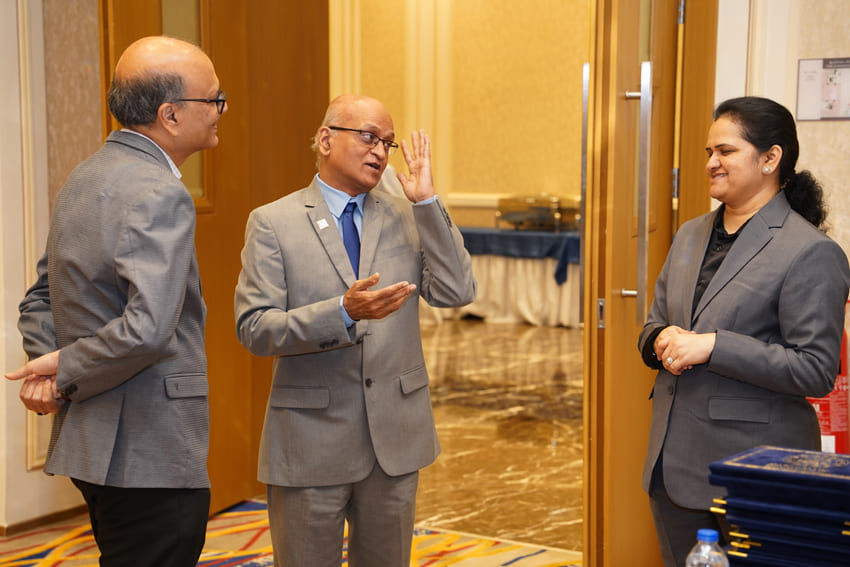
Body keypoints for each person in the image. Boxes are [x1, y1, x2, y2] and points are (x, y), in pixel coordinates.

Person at [4, 36, 227, 566]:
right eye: (214, 99)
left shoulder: (84, 177)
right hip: (150, 446)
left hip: (95, 442)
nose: (221, 110)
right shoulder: (161, 192)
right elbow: (148, 328)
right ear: (170, 114)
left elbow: (40, 298)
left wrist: (50, 369)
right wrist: (61, 369)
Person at [234, 94, 476, 567]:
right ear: (326, 140)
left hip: (395, 443)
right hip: (309, 443)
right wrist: (342, 312)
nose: (380, 151)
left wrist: (427, 202)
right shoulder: (273, 223)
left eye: (388, 142)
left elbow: (457, 290)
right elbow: (255, 328)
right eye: (368, 137)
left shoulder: (407, 215)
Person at [638, 96, 850, 567]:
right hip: (670, 468)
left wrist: (714, 347)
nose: (711, 163)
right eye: (709, 152)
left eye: (726, 151)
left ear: (770, 158)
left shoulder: (810, 251)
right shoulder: (689, 234)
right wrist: (656, 340)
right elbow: (655, 321)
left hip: (756, 473)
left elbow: (816, 369)